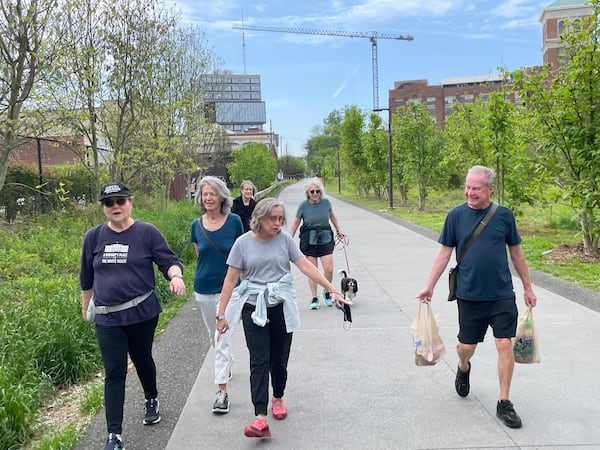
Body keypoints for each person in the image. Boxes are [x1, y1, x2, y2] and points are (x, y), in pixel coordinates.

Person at [415, 165, 537, 429]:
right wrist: (429, 286)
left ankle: (504, 402)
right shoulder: (455, 216)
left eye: (476, 188)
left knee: (504, 344)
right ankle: (463, 366)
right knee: (466, 347)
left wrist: (527, 286)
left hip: (502, 293)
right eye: (468, 187)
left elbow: (516, 254)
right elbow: (444, 254)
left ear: (490, 189)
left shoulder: (504, 216)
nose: (470, 192)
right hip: (469, 295)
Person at [216, 198, 349, 438]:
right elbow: (230, 279)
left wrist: (332, 289)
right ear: (259, 218)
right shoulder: (242, 243)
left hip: (280, 306)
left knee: (279, 360)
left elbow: (306, 267)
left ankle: (277, 396)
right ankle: (259, 417)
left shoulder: (285, 240)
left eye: (280, 219)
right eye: (272, 219)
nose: (278, 223)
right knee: (259, 360)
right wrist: (221, 314)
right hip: (253, 306)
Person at [79, 182, 186, 450]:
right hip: (107, 317)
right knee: (114, 371)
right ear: (102, 207)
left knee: (141, 358)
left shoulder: (146, 233)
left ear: (130, 202)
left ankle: (151, 397)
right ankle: (114, 435)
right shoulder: (93, 237)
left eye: (120, 201)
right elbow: (86, 278)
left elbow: (168, 261)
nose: (115, 206)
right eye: (109, 203)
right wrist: (86, 307)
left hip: (142, 313)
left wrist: (176, 276)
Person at [190, 176, 244, 414]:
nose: (208, 198)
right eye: (204, 194)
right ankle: (226, 364)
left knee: (222, 338)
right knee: (215, 338)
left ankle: (221, 392)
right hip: (203, 288)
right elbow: (199, 256)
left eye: (212, 193)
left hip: (230, 290)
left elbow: (241, 254)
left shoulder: (234, 222)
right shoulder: (196, 225)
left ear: (222, 197)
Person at [289, 179, 344, 310]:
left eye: (317, 191)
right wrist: (289, 238)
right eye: (312, 191)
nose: (315, 194)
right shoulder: (303, 206)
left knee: (329, 268)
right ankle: (314, 297)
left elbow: (332, 217)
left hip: (325, 236)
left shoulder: (326, 203)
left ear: (321, 192)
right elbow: (295, 223)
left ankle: (326, 291)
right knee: (312, 270)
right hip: (309, 239)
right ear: (308, 193)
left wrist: (338, 229)